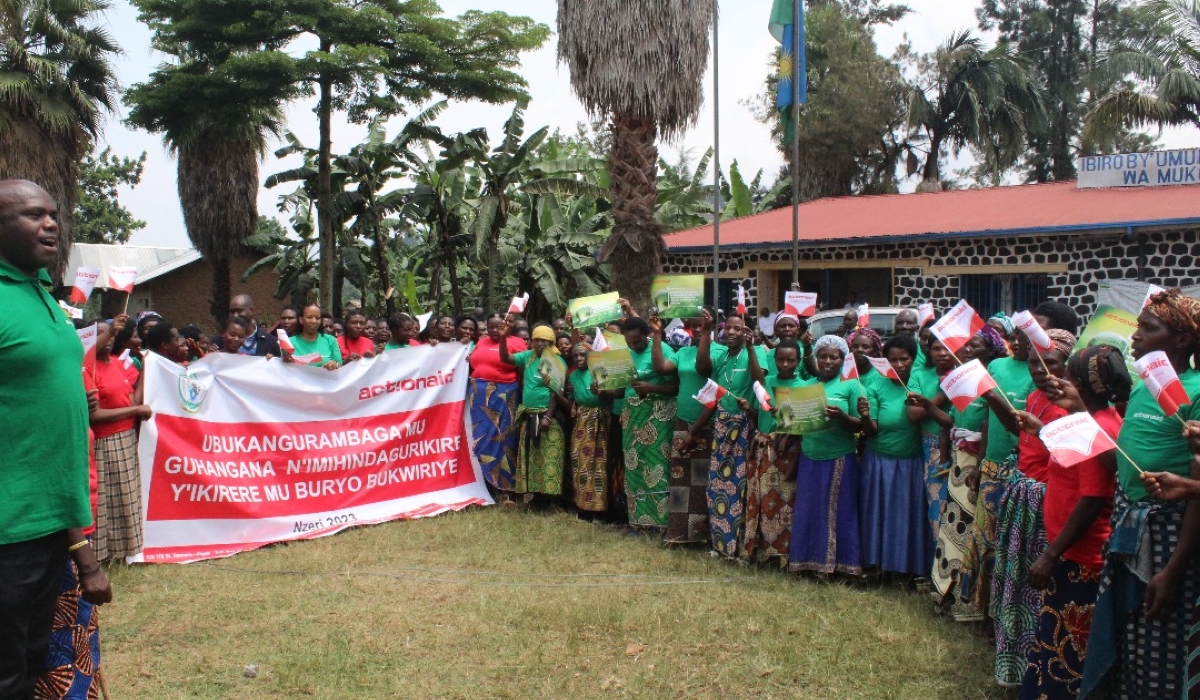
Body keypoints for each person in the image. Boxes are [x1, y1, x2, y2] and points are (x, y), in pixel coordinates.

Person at [0, 180, 110, 699]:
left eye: (52, 213)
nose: (50, 224)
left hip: (49, 529)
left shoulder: (44, 295)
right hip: (7, 531)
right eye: (31, 215)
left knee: (34, 664)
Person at [1079, 289, 1200, 700]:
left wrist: (1172, 570)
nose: (1136, 336)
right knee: (1125, 630)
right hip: (1129, 524)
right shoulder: (1150, 384)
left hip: (1171, 533)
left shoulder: (1196, 393)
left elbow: (1195, 495)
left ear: (1182, 340)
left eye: (1148, 329)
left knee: (1161, 634)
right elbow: (1126, 462)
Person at [1019, 344, 1128, 700]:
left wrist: (1051, 553)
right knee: (1053, 635)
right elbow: (1067, 466)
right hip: (1070, 553)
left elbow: (1094, 497)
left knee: (1069, 650)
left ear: (1079, 384)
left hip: (1082, 558)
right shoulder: (1084, 421)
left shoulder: (1101, 427)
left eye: (1065, 375)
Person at [989, 328, 1076, 687]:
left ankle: (1038, 663)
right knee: (1016, 580)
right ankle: (1012, 658)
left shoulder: (1070, 404)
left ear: (1067, 365)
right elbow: (1021, 431)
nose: (1040, 370)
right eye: (1034, 363)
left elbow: (1074, 456)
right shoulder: (1033, 395)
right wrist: (992, 396)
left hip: (1048, 499)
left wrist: (1043, 431)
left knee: (1037, 585)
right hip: (1023, 493)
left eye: (1049, 363)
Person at [788, 335, 867, 576]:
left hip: (839, 457)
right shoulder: (806, 385)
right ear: (817, 358)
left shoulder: (852, 385)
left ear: (843, 360)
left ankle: (842, 565)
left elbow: (859, 425)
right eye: (823, 356)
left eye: (834, 357)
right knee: (808, 509)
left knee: (839, 512)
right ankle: (808, 562)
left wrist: (841, 417)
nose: (828, 361)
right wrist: (784, 415)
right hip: (810, 456)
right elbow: (793, 425)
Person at [691, 311, 767, 557]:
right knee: (717, 486)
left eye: (739, 328)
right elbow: (713, 395)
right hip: (722, 426)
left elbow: (760, 383)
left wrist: (752, 348)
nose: (732, 332)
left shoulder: (756, 354)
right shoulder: (722, 356)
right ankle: (720, 544)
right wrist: (694, 429)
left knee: (741, 487)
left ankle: (741, 546)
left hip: (744, 427)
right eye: (728, 328)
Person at [858, 333, 930, 579]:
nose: (899, 364)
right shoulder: (876, 384)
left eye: (904, 358)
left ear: (913, 358)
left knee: (906, 517)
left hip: (911, 462)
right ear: (885, 360)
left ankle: (907, 568)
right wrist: (866, 416)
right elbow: (872, 429)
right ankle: (876, 566)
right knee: (877, 515)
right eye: (893, 359)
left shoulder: (919, 382)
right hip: (879, 461)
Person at [90, 316, 153, 563]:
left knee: (128, 496)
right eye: (100, 334)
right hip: (106, 441)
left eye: (110, 334)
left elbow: (133, 401)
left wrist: (147, 370)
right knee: (106, 499)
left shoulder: (118, 364)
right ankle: (102, 554)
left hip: (127, 437)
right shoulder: (88, 369)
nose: (107, 339)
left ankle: (129, 551)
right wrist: (135, 412)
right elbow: (94, 415)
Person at [655, 312, 720, 545]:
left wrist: (706, 334)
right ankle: (680, 533)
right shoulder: (683, 352)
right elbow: (662, 367)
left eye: (701, 326)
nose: (696, 330)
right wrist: (656, 333)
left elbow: (703, 368)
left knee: (703, 480)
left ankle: (701, 535)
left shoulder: (719, 352)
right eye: (692, 326)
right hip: (683, 420)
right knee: (681, 479)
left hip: (708, 424)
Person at [609, 316, 678, 531]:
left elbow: (676, 387)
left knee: (658, 465)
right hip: (632, 416)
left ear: (646, 335)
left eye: (637, 341)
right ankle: (637, 522)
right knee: (634, 466)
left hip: (659, 415)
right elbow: (620, 390)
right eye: (629, 343)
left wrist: (652, 388)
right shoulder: (624, 354)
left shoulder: (662, 349)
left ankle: (660, 522)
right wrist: (602, 388)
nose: (633, 346)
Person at [742, 338, 804, 566]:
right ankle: (761, 551)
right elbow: (760, 415)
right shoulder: (765, 382)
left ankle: (784, 555)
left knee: (785, 503)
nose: (785, 364)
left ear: (798, 361)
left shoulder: (805, 387)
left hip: (787, 451)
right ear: (774, 359)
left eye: (791, 360)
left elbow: (803, 425)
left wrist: (783, 420)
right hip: (761, 449)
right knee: (760, 501)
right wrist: (749, 409)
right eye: (781, 359)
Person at [500, 322, 569, 503]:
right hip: (529, 414)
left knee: (549, 457)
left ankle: (550, 500)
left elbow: (557, 392)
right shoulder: (528, 357)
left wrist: (547, 416)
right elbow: (506, 359)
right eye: (536, 340)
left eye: (544, 341)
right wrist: (502, 338)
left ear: (550, 343)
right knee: (533, 456)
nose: (539, 344)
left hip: (548, 416)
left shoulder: (556, 360)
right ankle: (536, 497)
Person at [468, 315, 527, 498]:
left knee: (503, 439)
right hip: (479, 396)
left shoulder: (516, 342)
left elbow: (522, 370)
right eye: (490, 327)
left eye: (498, 327)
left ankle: (505, 488)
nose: (494, 330)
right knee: (481, 438)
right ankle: (485, 485)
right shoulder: (481, 341)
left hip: (504, 395)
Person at [567, 344, 610, 516]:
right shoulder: (573, 375)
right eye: (575, 356)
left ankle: (599, 510)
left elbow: (612, 395)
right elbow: (571, 401)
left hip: (601, 420)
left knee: (599, 463)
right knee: (580, 462)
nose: (579, 359)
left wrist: (601, 392)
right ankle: (583, 507)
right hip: (582, 421)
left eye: (582, 355)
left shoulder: (599, 371)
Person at [286, 303, 341, 370]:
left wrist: (335, 364)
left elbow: (340, 365)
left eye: (317, 318)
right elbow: (284, 366)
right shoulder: (289, 342)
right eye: (309, 317)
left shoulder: (331, 340)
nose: (314, 321)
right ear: (301, 320)